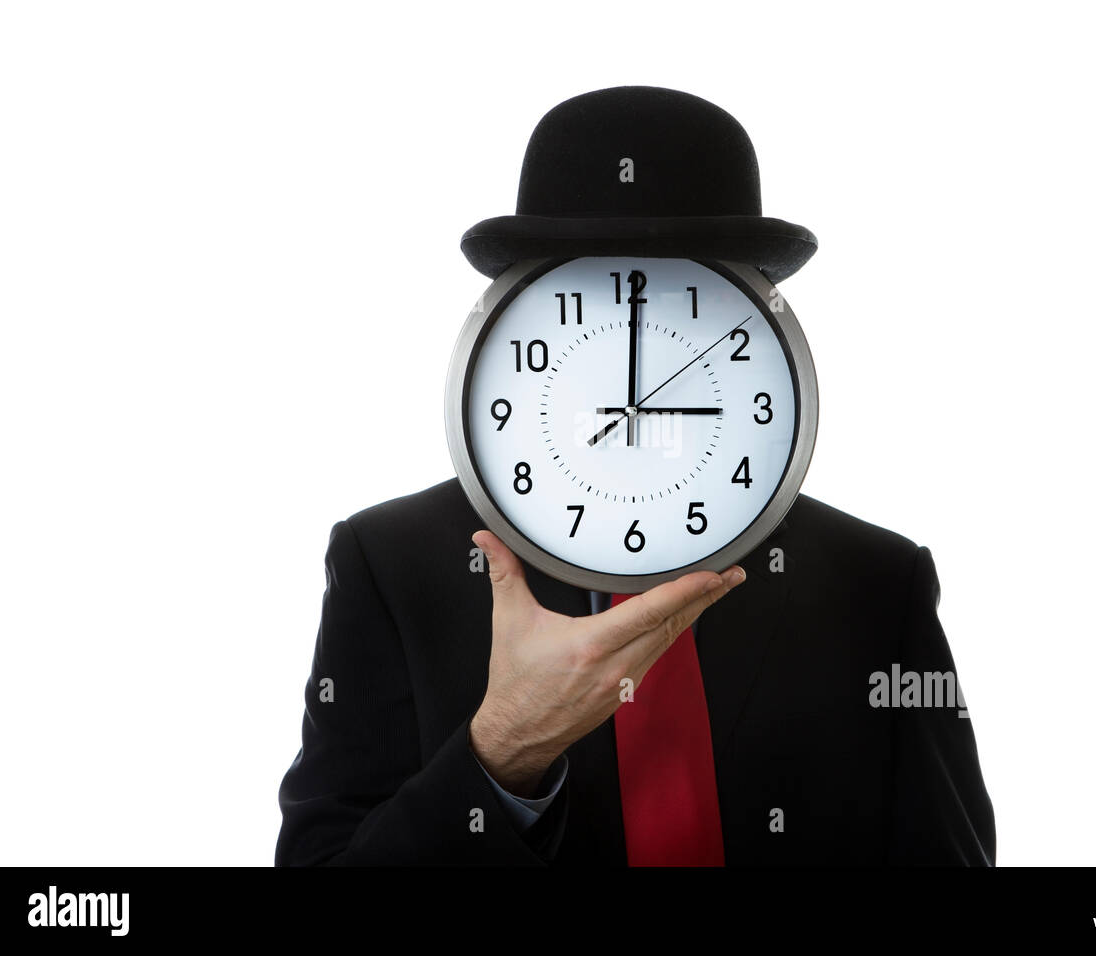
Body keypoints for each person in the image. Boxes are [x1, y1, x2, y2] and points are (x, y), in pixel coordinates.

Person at [275, 86, 995, 866]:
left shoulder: (876, 583)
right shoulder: (390, 565)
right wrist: (504, 748)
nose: (635, 399)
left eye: (696, 319)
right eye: (583, 310)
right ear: (520, 327)